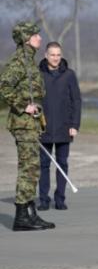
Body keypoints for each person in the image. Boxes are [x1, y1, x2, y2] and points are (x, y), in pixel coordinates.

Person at [0, 22, 55, 231]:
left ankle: (30, 214)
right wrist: (24, 107)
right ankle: (22, 217)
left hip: (31, 124)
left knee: (32, 168)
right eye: (35, 35)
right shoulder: (19, 61)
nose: (40, 38)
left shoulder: (29, 60)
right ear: (25, 39)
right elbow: (4, 87)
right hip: (23, 123)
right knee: (28, 169)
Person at [37, 41, 82, 211]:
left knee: (62, 163)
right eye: (52, 55)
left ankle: (60, 199)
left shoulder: (69, 75)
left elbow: (76, 100)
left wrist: (74, 124)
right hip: (44, 128)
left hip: (64, 127)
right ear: (46, 55)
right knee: (44, 164)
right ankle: (43, 199)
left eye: (58, 55)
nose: (56, 58)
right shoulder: (38, 74)